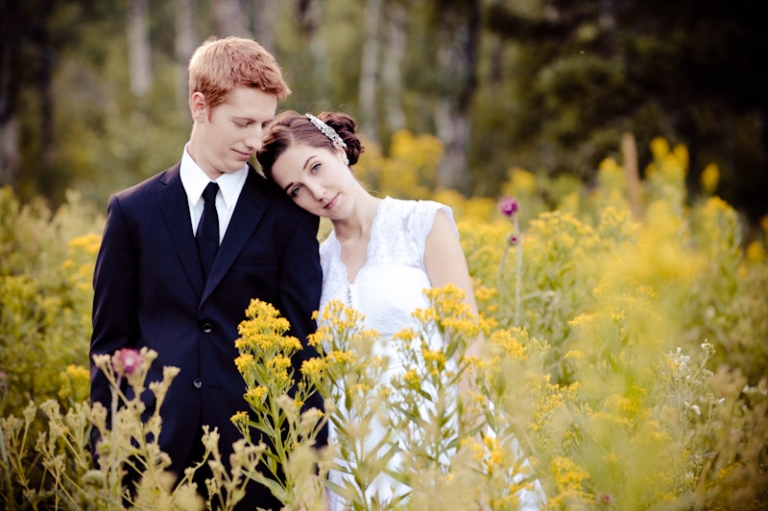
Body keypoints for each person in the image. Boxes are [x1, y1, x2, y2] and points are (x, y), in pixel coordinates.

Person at [258, 111, 545, 510]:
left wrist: (473, 447)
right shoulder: (315, 265)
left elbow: (467, 343)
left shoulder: (423, 222)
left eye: (316, 168)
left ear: (338, 150)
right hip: (357, 458)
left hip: (437, 432)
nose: (316, 191)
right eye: (296, 190)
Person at [89, 37, 325, 510]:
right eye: (243, 123)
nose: (256, 141)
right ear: (200, 106)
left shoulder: (289, 217)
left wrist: (309, 467)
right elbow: (110, 348)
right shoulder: (132, 212)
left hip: (259, 462)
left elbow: (304, 344)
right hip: (151, 460)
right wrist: (106, 460)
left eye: (263, 123)